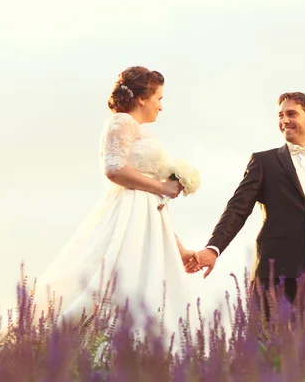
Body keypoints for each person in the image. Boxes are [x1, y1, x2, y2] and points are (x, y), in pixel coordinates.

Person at [27, 66, 200, 345]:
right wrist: (162, 186)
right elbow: (114, 168)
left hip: (148, 219)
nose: (161, 106)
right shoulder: (122, 122)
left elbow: (155, 202)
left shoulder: (142, 132)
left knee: (149, 289)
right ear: (142, 98)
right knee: (117, 284)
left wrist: (178, 249)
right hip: (128, 215)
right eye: (159, 98)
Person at [187, 92, 305, 330]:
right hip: (271, 272)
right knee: (264, 352)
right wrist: (214, 247)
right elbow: (237, 209)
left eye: (292, 114)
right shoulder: (264, 162)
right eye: (280, 115)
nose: (284, 120)